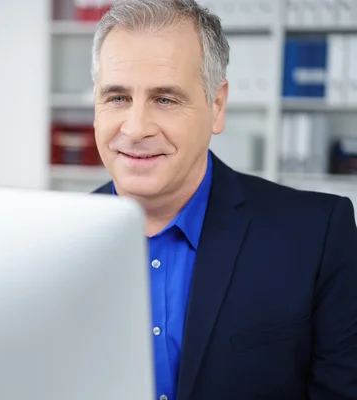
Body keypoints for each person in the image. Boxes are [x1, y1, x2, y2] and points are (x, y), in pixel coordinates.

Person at [90, 1, 357, 399]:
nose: (136, 127)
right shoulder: (56, 243)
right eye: (117, 97)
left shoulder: (317, 234)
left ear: (216, 105)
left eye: (165, 99)